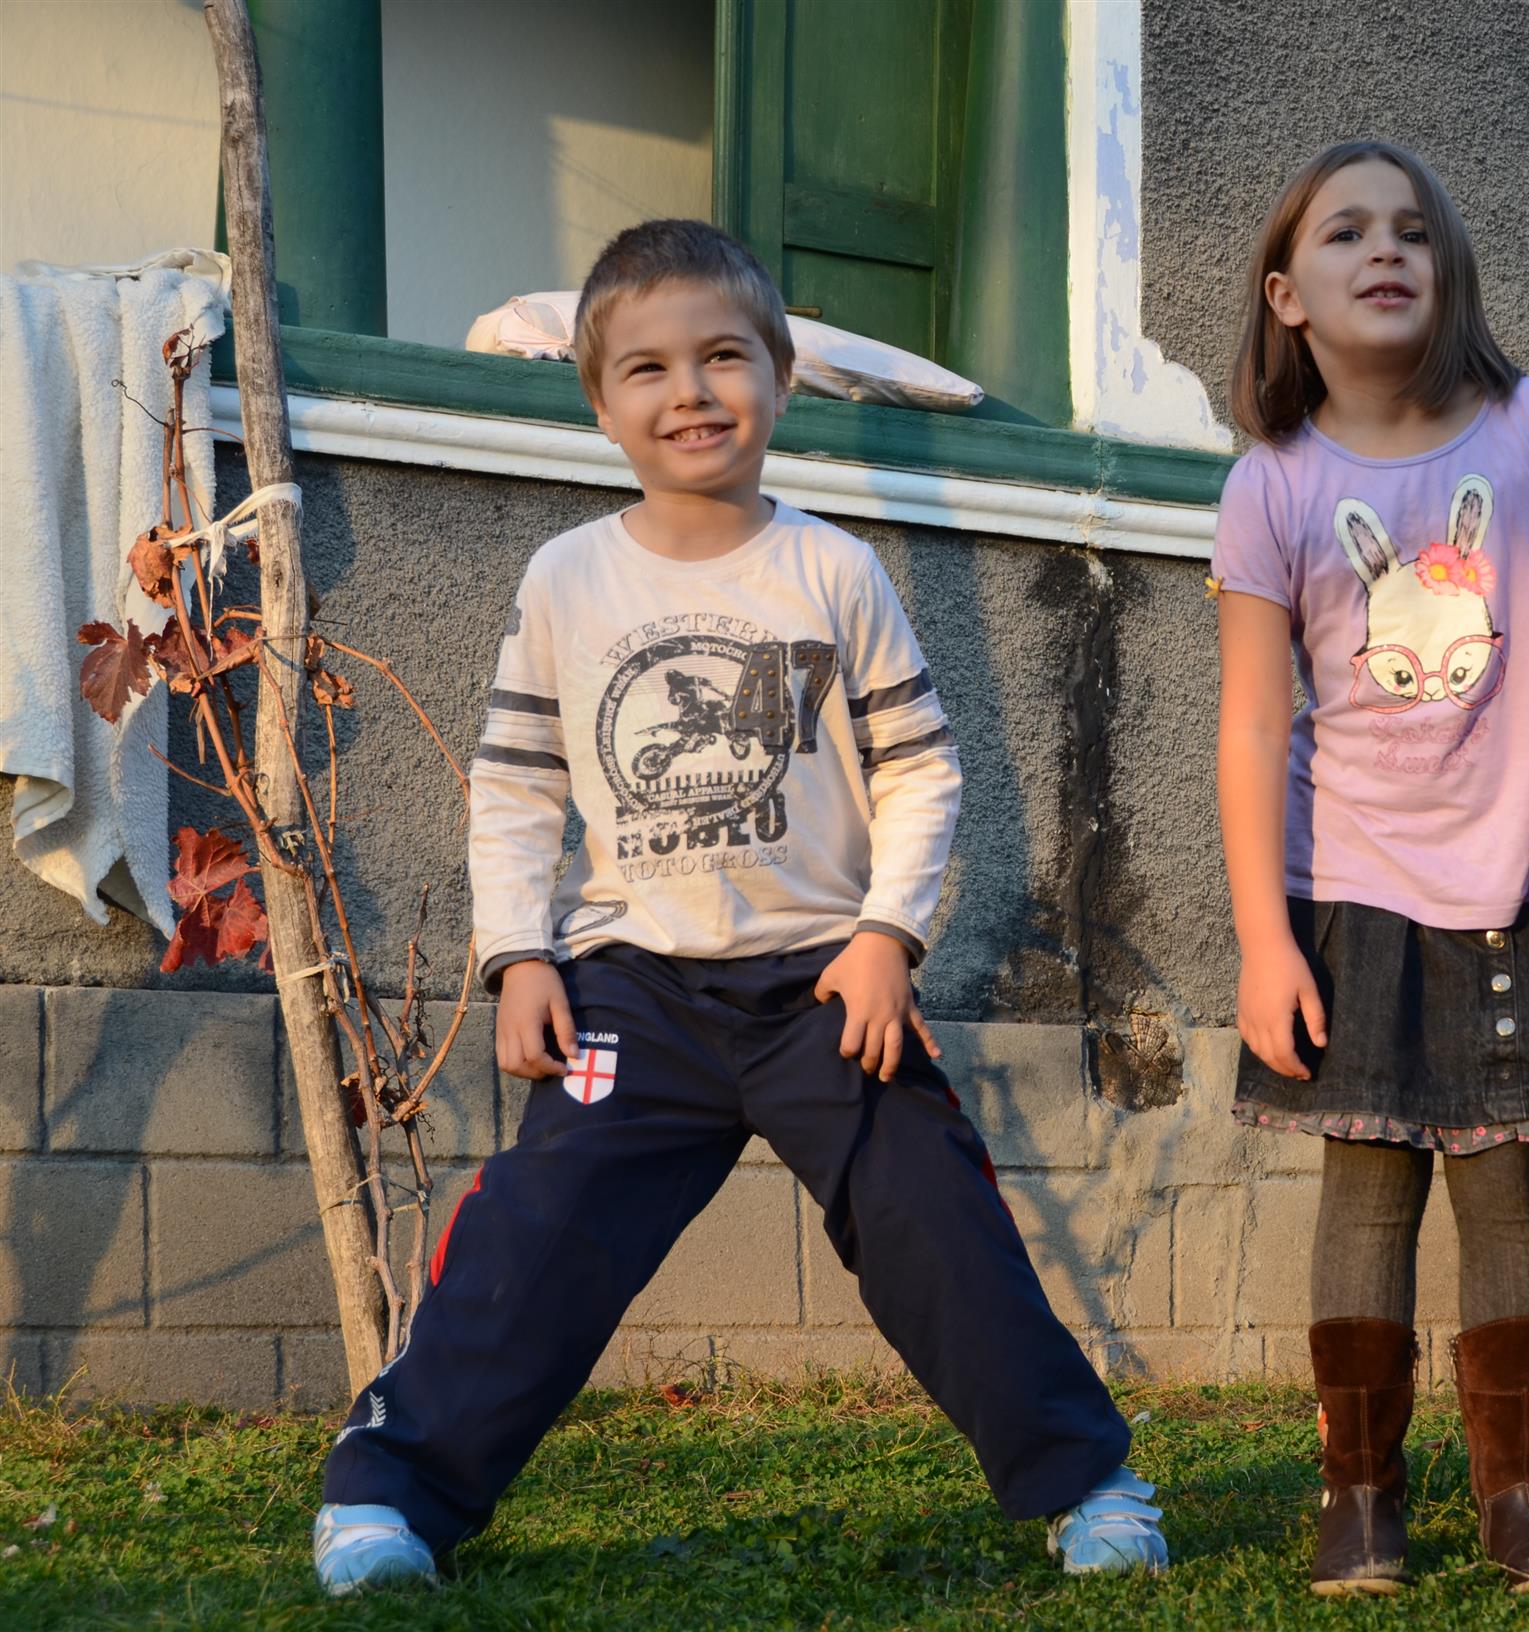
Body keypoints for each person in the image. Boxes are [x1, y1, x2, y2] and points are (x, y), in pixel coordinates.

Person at [310, 219, 1165, 1596]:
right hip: (631, 989)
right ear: (599, 403)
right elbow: (517, 785)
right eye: (646, 368)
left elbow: (922, 770)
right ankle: (387, 1498)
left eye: (722, 356)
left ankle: (1089, 1484)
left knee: (934, 1223)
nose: (689, 391)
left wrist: (886, 939)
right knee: (539, 1232)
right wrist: (520, 956)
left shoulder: (833, 571)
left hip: (824, 986)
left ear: (779, 375)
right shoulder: (568, 579)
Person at [1211, 140, 1529, 1596]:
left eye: (1411, 230)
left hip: (1519, 879)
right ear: (1288, 295)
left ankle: (1522, 1501)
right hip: (1351, 885)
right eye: (1344, 233)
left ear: (1448, 269)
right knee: (1367, 1189)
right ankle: (1361, 1501)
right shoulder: (1272, 483)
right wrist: (1265, 939)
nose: (1383, 250)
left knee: (1510, 1186)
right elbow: (1251, 721)